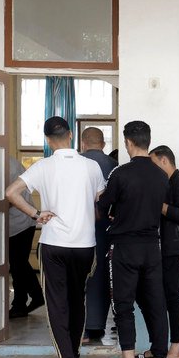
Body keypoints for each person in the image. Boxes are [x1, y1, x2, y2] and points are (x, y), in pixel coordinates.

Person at [5, 116, 105, 358]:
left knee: (57, 303)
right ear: (71, 135)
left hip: (54, 245)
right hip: (85, 244)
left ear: (48, 140)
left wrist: (36, 214)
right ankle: (75, 354)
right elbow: (100, 202)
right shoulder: (91, 166)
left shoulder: (43, 167)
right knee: (77, 300)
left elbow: (11, 192)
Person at [97, 121, 170, 358]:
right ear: (148, 141)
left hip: (124, 248)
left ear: (128, 142)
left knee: (124, 306)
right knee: (156, 304)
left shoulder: (120, 174)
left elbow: (103, 208)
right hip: (152, 247)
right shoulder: (161, 175)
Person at [133, 145, 179, 358]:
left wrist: (157, 204)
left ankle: (175, 350)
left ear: (163, 161)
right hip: (161, 249)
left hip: (175, 249)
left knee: (171, 296)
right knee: (151, 296)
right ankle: (157, 347)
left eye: (153, 163)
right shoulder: (165, 183)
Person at [80, 127, 118, 343]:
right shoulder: (114, 166)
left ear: (83, 143)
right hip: (105, 230)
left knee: (79, 278)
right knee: (102, 276)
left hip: (78, 229)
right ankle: (97, 326)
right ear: (103, 144)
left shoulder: (75, 163)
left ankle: (82, 329)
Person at [8, 156, 44, 319]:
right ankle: (34, 296)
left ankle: (20, 304)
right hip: (21, 221)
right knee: (19, 264)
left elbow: (10, 196)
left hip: (19, 222)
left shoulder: (6, 163)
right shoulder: (9, 161)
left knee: (18, 265)